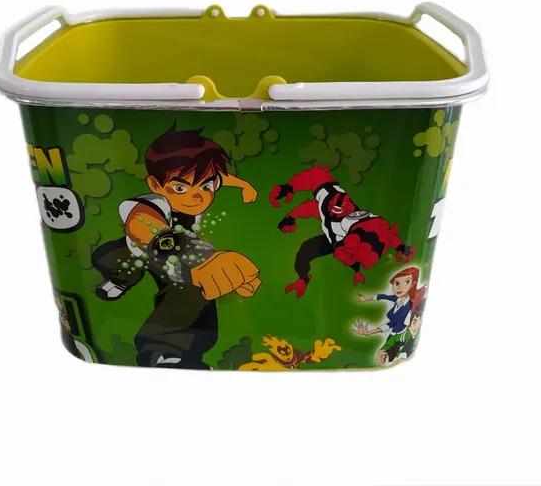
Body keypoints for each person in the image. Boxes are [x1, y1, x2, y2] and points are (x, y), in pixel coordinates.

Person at [92, 124, 260, 369]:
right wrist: (199, 258)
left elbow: (218, 177)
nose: (198, 196)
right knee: (111, 260)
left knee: (190, 293)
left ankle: (169, 353)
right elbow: (143, 225)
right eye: (180, 188)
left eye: (206, 186)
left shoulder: (206, 181)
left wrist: (244, 185)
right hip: (143, 250)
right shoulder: (150, 205)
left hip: (172, 260)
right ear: (156, 185)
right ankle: (125, 288)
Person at [270, 166, 415, 298]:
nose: (335, 210)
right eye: (333, 209)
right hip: (337, 237)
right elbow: (314, 180)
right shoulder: (327, 195)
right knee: (305, 251)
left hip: (345, 238)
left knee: (357, 251)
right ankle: (303, 278)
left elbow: (382, 232)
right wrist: (289, 189)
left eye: (339, 210)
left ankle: (355, 267)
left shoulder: (357, 222)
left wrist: (400, 247)